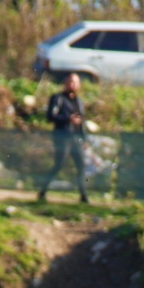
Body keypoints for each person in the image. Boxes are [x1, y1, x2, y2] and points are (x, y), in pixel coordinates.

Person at [38, 71, 89, 203]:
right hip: (63, 137)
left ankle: (83, 195)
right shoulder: (58, 98)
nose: (73, 85)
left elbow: (82, 121)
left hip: (76, 138)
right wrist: (68, 119)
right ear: (66, 83)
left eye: (76, 82)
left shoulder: (79, 101)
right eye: (71, 81)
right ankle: (43, 191)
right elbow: (50, 116)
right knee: (59, 164)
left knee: (81, 166)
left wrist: (85, 138)